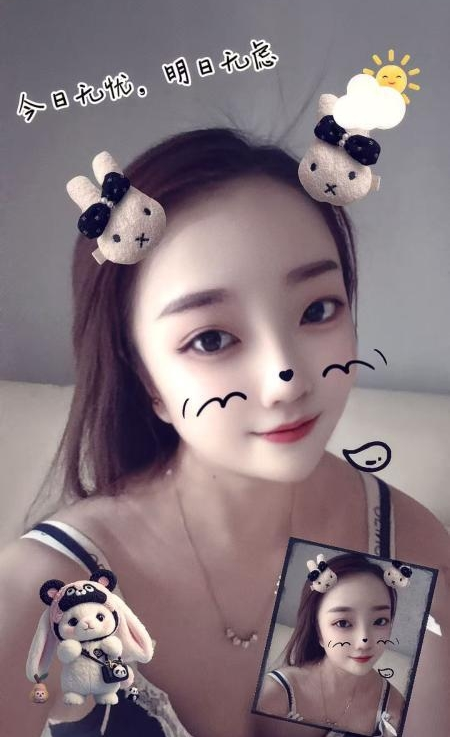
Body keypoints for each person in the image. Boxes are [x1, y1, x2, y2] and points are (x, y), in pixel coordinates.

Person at [0, 128, 448, 737]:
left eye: (317, 310)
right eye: (211, 338)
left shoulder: (410, 548)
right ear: (144, 376)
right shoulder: (42, 594)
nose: (286, 380)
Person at [259, 554, 405, 735]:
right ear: (318, 629)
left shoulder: (395, 707)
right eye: (343, 623)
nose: (364, 641)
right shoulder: (274, 695)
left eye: (380, 621)